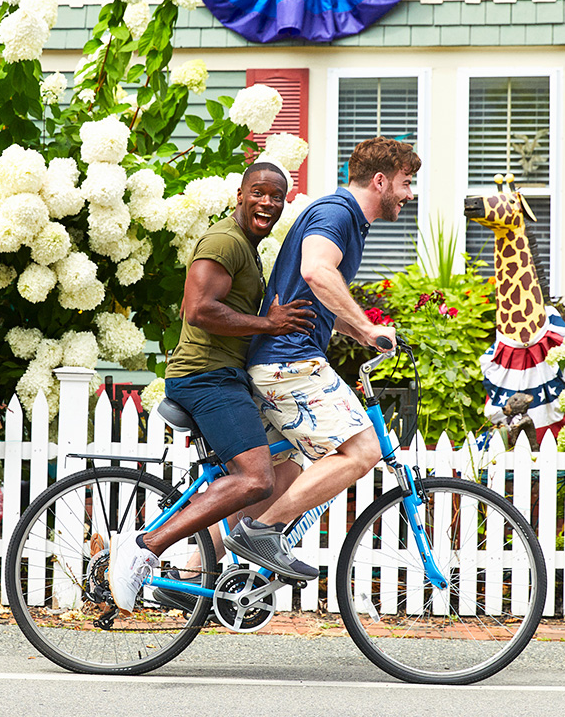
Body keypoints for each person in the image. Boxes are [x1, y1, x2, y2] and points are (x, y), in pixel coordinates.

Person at [108, 160, 317, 614]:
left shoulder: (245, 245)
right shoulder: (225, 241)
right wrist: (269, 324)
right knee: (255, 478)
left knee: (287, 469)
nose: (267, 202)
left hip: (226, 377)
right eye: (258, 192)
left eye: (276, 196)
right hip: (206, 377)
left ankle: (186, 576)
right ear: (239, 196)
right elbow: (198, 309)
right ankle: (145, 547)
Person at [233, 137, 419, 558]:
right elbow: (316, 269)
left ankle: (190, 576)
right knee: (364, 449)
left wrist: (356, 331)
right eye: (405, 183)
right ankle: (260, 534)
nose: (410, 194)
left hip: (276, 362)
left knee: (278, 474)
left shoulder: (344, 217)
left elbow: (313, 297)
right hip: (290, 364)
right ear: (379, 181)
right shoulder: (337, 213)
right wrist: (369, 327)